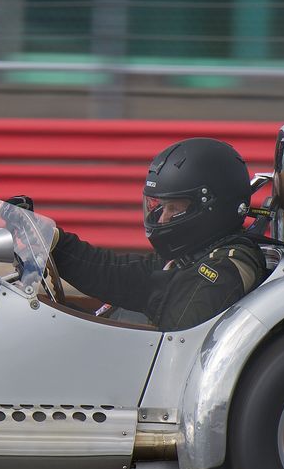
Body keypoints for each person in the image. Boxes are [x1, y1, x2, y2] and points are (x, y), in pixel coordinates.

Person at [50, 137, 267, 331]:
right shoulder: (193, 255)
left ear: (211, 207)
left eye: (174, 208)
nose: (162, 219)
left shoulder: (223, 268)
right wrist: (55, 243)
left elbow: (172, 336)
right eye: (161, 207)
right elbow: (118, 273)